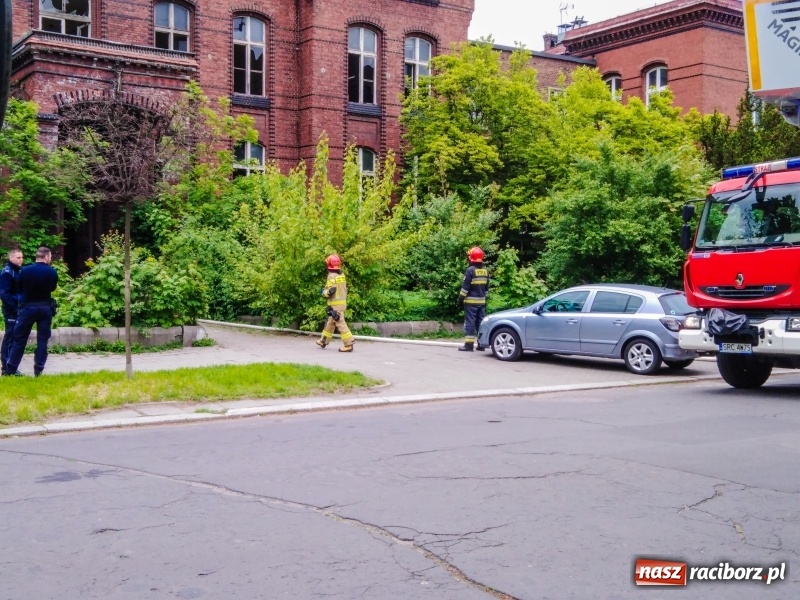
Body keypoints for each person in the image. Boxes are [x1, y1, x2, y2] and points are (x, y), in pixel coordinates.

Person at [5, 246, 58, 377]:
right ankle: (38, 370)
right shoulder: (52, 272)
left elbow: (21, 288)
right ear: (46, 257)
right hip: (45, 308)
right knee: (42, 340)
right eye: (50, 257)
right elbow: (52, 289)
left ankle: (11, 369)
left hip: (27, 308)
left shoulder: (25, 271)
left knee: (19, 339)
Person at [316, 254, 355, 353]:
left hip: (335, 304)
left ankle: (348, 343)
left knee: (340, 323)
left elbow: (330, 291)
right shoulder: (341, 275)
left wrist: (323, 293)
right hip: (341, 303)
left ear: (329, 264)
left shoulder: (331, 276)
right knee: (331, 322)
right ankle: (323, 340)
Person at [457, 246, 489, 352]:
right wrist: (485, 300)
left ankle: (469, 345)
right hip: (482, 302)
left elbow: (465, 288)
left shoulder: (470, 270)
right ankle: (481, 344)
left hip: (470, 303)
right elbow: (486, 289)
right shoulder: (485, 271)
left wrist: (460, 299)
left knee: (470, 322)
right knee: (480, 323)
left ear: (471, 258)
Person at [0, 247, 23, 375]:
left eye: (22, 257)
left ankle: (11, 366)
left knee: (15, 337)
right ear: (11, 258)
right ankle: (5, 367)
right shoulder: (7, 273)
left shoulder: (19, 272)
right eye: (18, 257)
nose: (21, 260)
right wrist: (13, 308)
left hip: (19, 307)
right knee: (10, 336)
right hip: (11, 310)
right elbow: (4, 294)